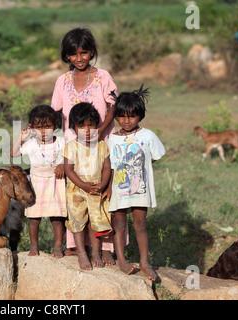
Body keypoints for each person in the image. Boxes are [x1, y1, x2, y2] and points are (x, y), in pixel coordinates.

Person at [51, 27, 120, 263]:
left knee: (103, 196)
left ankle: (106, 249)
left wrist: (100, 130)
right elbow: (57, 114)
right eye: (73, 54)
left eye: (84, 53)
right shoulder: (62, 81)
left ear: (91, 52)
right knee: (77, 196)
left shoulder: (103, 76)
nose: (79, 59)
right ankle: (76, 246)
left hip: (101, 144)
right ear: (66, 56)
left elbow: (112, 107)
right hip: (74, 148)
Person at [105, 85, 166, 281]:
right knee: (120, 224)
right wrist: (108, 187)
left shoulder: (147, 136)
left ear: (140, 115)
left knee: (140, 225)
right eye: (122, 116)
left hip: (141, 188)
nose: (126, 121)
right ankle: (121, 260)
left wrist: (139, 168)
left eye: (131, 116)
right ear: (116, 117)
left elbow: (154, 156)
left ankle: (144, 262)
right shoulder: (112, 140)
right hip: (119, 188)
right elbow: (111, 166)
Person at [10, 105, 66, 258]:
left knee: (57, 218)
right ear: (32, 128)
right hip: (36, 184)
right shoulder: (31, 144)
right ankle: (34, 247)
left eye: (48, 126)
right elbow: (13, 154)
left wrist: (63, 165)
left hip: (56, 182)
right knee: (34, 218)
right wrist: (22, 137)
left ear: (55, 126)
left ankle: (58, 247)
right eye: (39, 127)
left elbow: (71, 157)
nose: (44, 131)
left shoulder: (61, 142)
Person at [64, 102, 113, 270]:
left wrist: (103, 184)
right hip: (77, 191)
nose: (87, 130)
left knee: (95, 222)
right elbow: (69, 170)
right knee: (78, 222)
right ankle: (82, 254)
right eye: (81, 126)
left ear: (96, 126)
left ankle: (96, 253)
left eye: (91, 125)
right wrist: (83, 185)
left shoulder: (101, 145)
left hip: (96, 189)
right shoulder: (71, 147)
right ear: (73, 128)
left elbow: (107, 167)